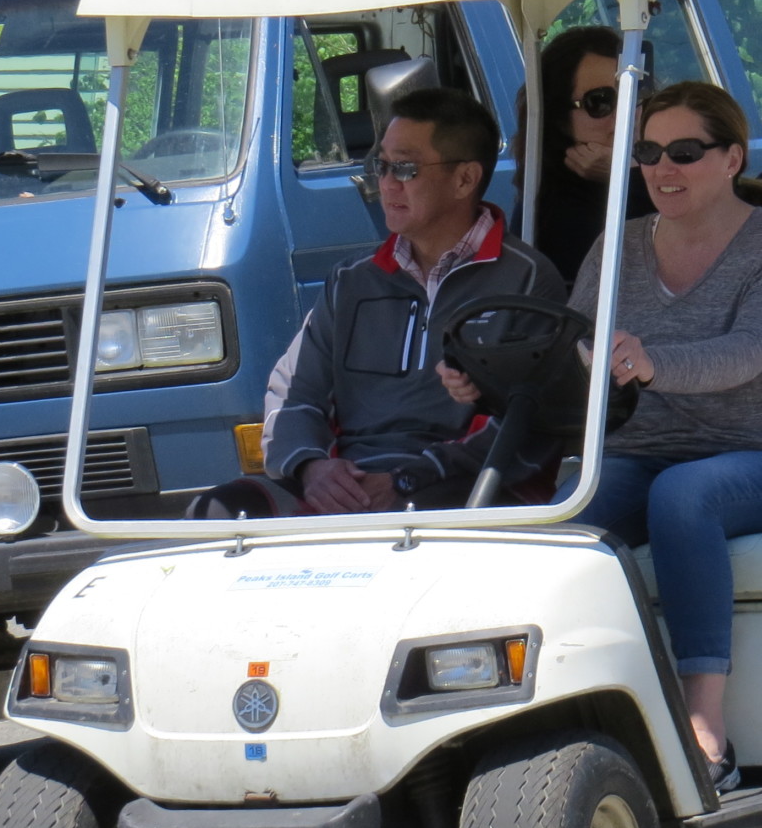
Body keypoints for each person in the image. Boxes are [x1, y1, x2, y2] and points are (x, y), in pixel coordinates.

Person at [445, 79, 762, 792]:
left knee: (685, 497)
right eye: (649, 152)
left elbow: (747, 352)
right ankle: (550, 710)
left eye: (684, 151)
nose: (662, 168)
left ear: (731, 159)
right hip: (643, 453)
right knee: (561, 519)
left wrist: (653, 365)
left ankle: (704, 725)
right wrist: (489, 380)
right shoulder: (618, 245)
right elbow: (574, 351)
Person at [196, 87, 565, 517]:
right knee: (218, 510)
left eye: (405, 168)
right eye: (381, 165)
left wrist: (410, 477)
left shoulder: (527, 279)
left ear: (465, 179)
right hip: (349, 484)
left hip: (460, 486)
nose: (386, 183)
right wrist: (312, 467)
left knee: (414, 522)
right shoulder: (351, 280)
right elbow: (294, 393)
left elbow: (530, 424)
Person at [528, 25, 762, 282]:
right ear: (559, 117)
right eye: (600, 101)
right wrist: (628, 176)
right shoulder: (547, 204)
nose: (626, 113)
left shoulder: (644, 169)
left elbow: (735, 210)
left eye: (635, 93)